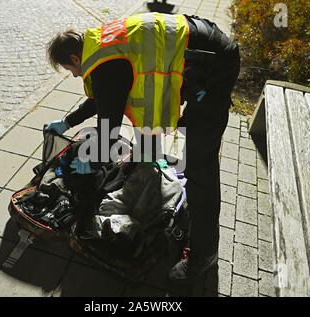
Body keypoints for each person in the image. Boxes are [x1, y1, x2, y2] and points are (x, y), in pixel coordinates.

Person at [46, 12, 240, 285]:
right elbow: (104, 98)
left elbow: (108, 131)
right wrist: (67, 122)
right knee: (149, 140)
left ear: (75, 59)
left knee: (200, 166)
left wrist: (89, 164)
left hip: (213, 62)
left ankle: (203, 258)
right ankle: (153, 172)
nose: (75, 75)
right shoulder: (101, 45)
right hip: (199, 49)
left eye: (70, 70)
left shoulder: (105, 63)